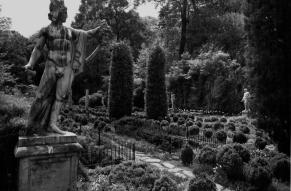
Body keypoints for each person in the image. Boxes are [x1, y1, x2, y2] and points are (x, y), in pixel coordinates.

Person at [24, 0, 111, 135]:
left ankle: (52, 124)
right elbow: (37, 49)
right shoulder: (46, 30)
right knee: (41, 95)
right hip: (51, 66)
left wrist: (98, 29)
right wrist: (31, 63)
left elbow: (86, 34)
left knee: (59, 98)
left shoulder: (69, 31)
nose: (66, 15)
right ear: (56, 13)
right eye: (64, 12)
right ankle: (30, 124)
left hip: (66, 68)